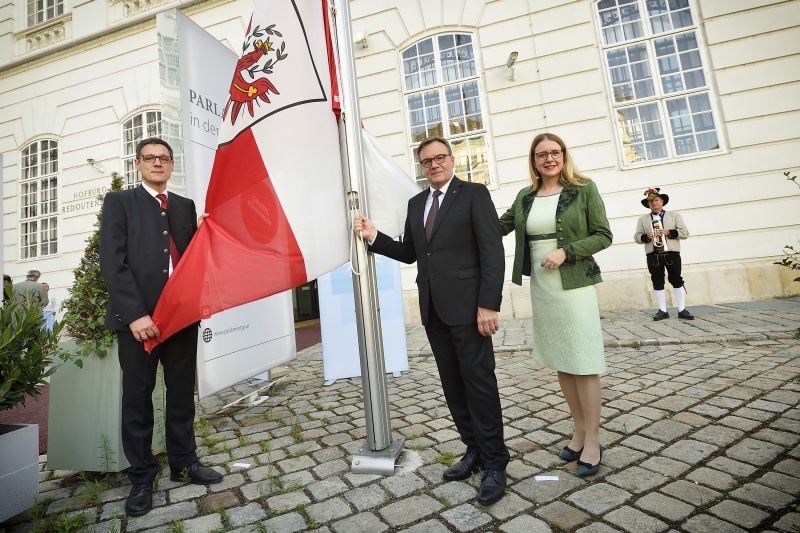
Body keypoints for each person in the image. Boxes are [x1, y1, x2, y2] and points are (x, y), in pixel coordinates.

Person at [353, 136, 510, 505]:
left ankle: (495, 464)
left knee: (479, 385)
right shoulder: (416, 203)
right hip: (434, 310)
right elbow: (411, 253)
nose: (434, 164)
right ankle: (473, 451)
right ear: (421, 167)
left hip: (470, 310)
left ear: (452, 160)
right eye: (427, 161)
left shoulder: (474, 194)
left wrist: (488, 304)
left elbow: (492, 251)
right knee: (453, 386)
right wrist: (374, 236)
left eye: (440, 157)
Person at [99, 137, 220, 517]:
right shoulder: (119, 202)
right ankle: (141, 476)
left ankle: (184, 463)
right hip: (138, 322)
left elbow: (189, 257)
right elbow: (113, 262)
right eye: (149, 158)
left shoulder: (184, 205)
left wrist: (203, 232)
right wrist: (136, 315)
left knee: (182, 394)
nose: (157, 163)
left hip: (180, 317)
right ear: (137, 163)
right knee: (137, 399)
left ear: (171, 164)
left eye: (164, 158)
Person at [499, 133, 612, 477]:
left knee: (584, 360)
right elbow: (497, 226)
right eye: (541, 154)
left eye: (555, 152)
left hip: (575, 284)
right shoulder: (525, 196)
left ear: (563, 155)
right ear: (533, 161)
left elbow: (603, 235)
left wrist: (567, 251)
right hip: (543, 287)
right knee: (563, 360)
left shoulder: (584, 189)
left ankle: (593, 440)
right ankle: (579, 431)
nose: (549, 159)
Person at [634, 188, 693, 321]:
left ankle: (682, 309)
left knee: (676, 279)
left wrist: (669, 232)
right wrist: (646, 236)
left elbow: (685, 233)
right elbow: (637, 237)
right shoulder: (642, 220)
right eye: (651, 201)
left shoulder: (674, 215)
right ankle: (663, 310)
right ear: (648, 204)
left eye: (656, 200)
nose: (654, 203)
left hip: (671, 253)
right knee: (657, 281)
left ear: (662, 201)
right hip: (653, 255)